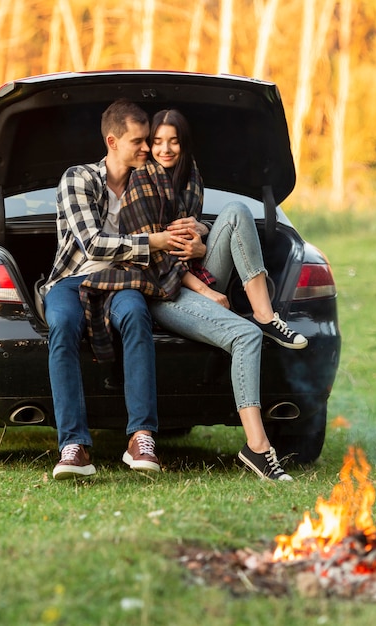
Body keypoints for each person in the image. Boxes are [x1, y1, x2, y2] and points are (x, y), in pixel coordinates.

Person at [131, 109, 308, 482]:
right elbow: (154, 259)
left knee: (237, 211)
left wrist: (202, 238)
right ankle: (257, 449)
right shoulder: (140, 183)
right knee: (245, 337)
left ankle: (265, 314)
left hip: (196, 271)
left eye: (173, 141)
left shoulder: (190, 175)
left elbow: (194, 239)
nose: (166, 149)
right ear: (149, 144)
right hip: (164, 291)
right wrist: (207, 291)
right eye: (158, 141)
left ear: (183, 143)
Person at [42, 99, 168, 480]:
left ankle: (141, 438)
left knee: (135, 314)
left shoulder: (149, 181)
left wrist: (196, 232)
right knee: (62, 326)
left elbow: (182, 217)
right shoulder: (78, 178)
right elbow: (93, 245)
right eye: (139, 141)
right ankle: (73, 446)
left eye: (148, 140)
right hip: (72, 278)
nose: (147, 148)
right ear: (112, 141)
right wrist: (153, 242)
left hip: (123, 279)